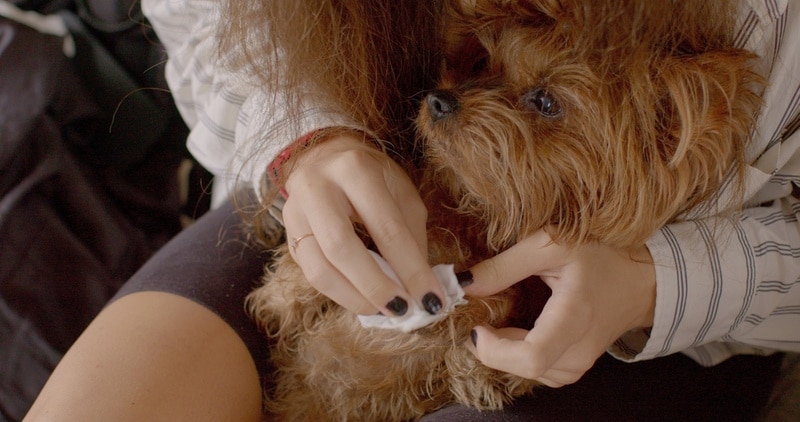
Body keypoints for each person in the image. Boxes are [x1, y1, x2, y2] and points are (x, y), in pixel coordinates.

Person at [25, 0, 799, 420]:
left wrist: (658, 283)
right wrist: (305, 143)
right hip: (368, 163)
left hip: (673, 316)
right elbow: (203, 21)